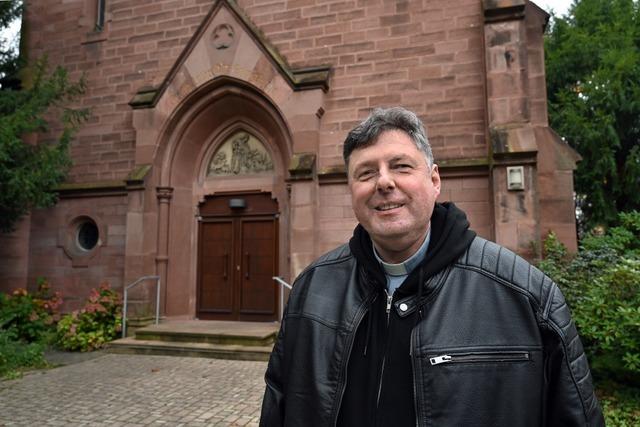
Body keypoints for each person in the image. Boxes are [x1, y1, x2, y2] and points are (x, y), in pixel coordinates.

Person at [259, 107, 604, 426]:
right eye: (366, 173)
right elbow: (280, 406)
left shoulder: (526, 296)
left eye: (401, 166)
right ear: (351, 191)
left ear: (435, 180)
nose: (383, 182)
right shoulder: (311, 290)